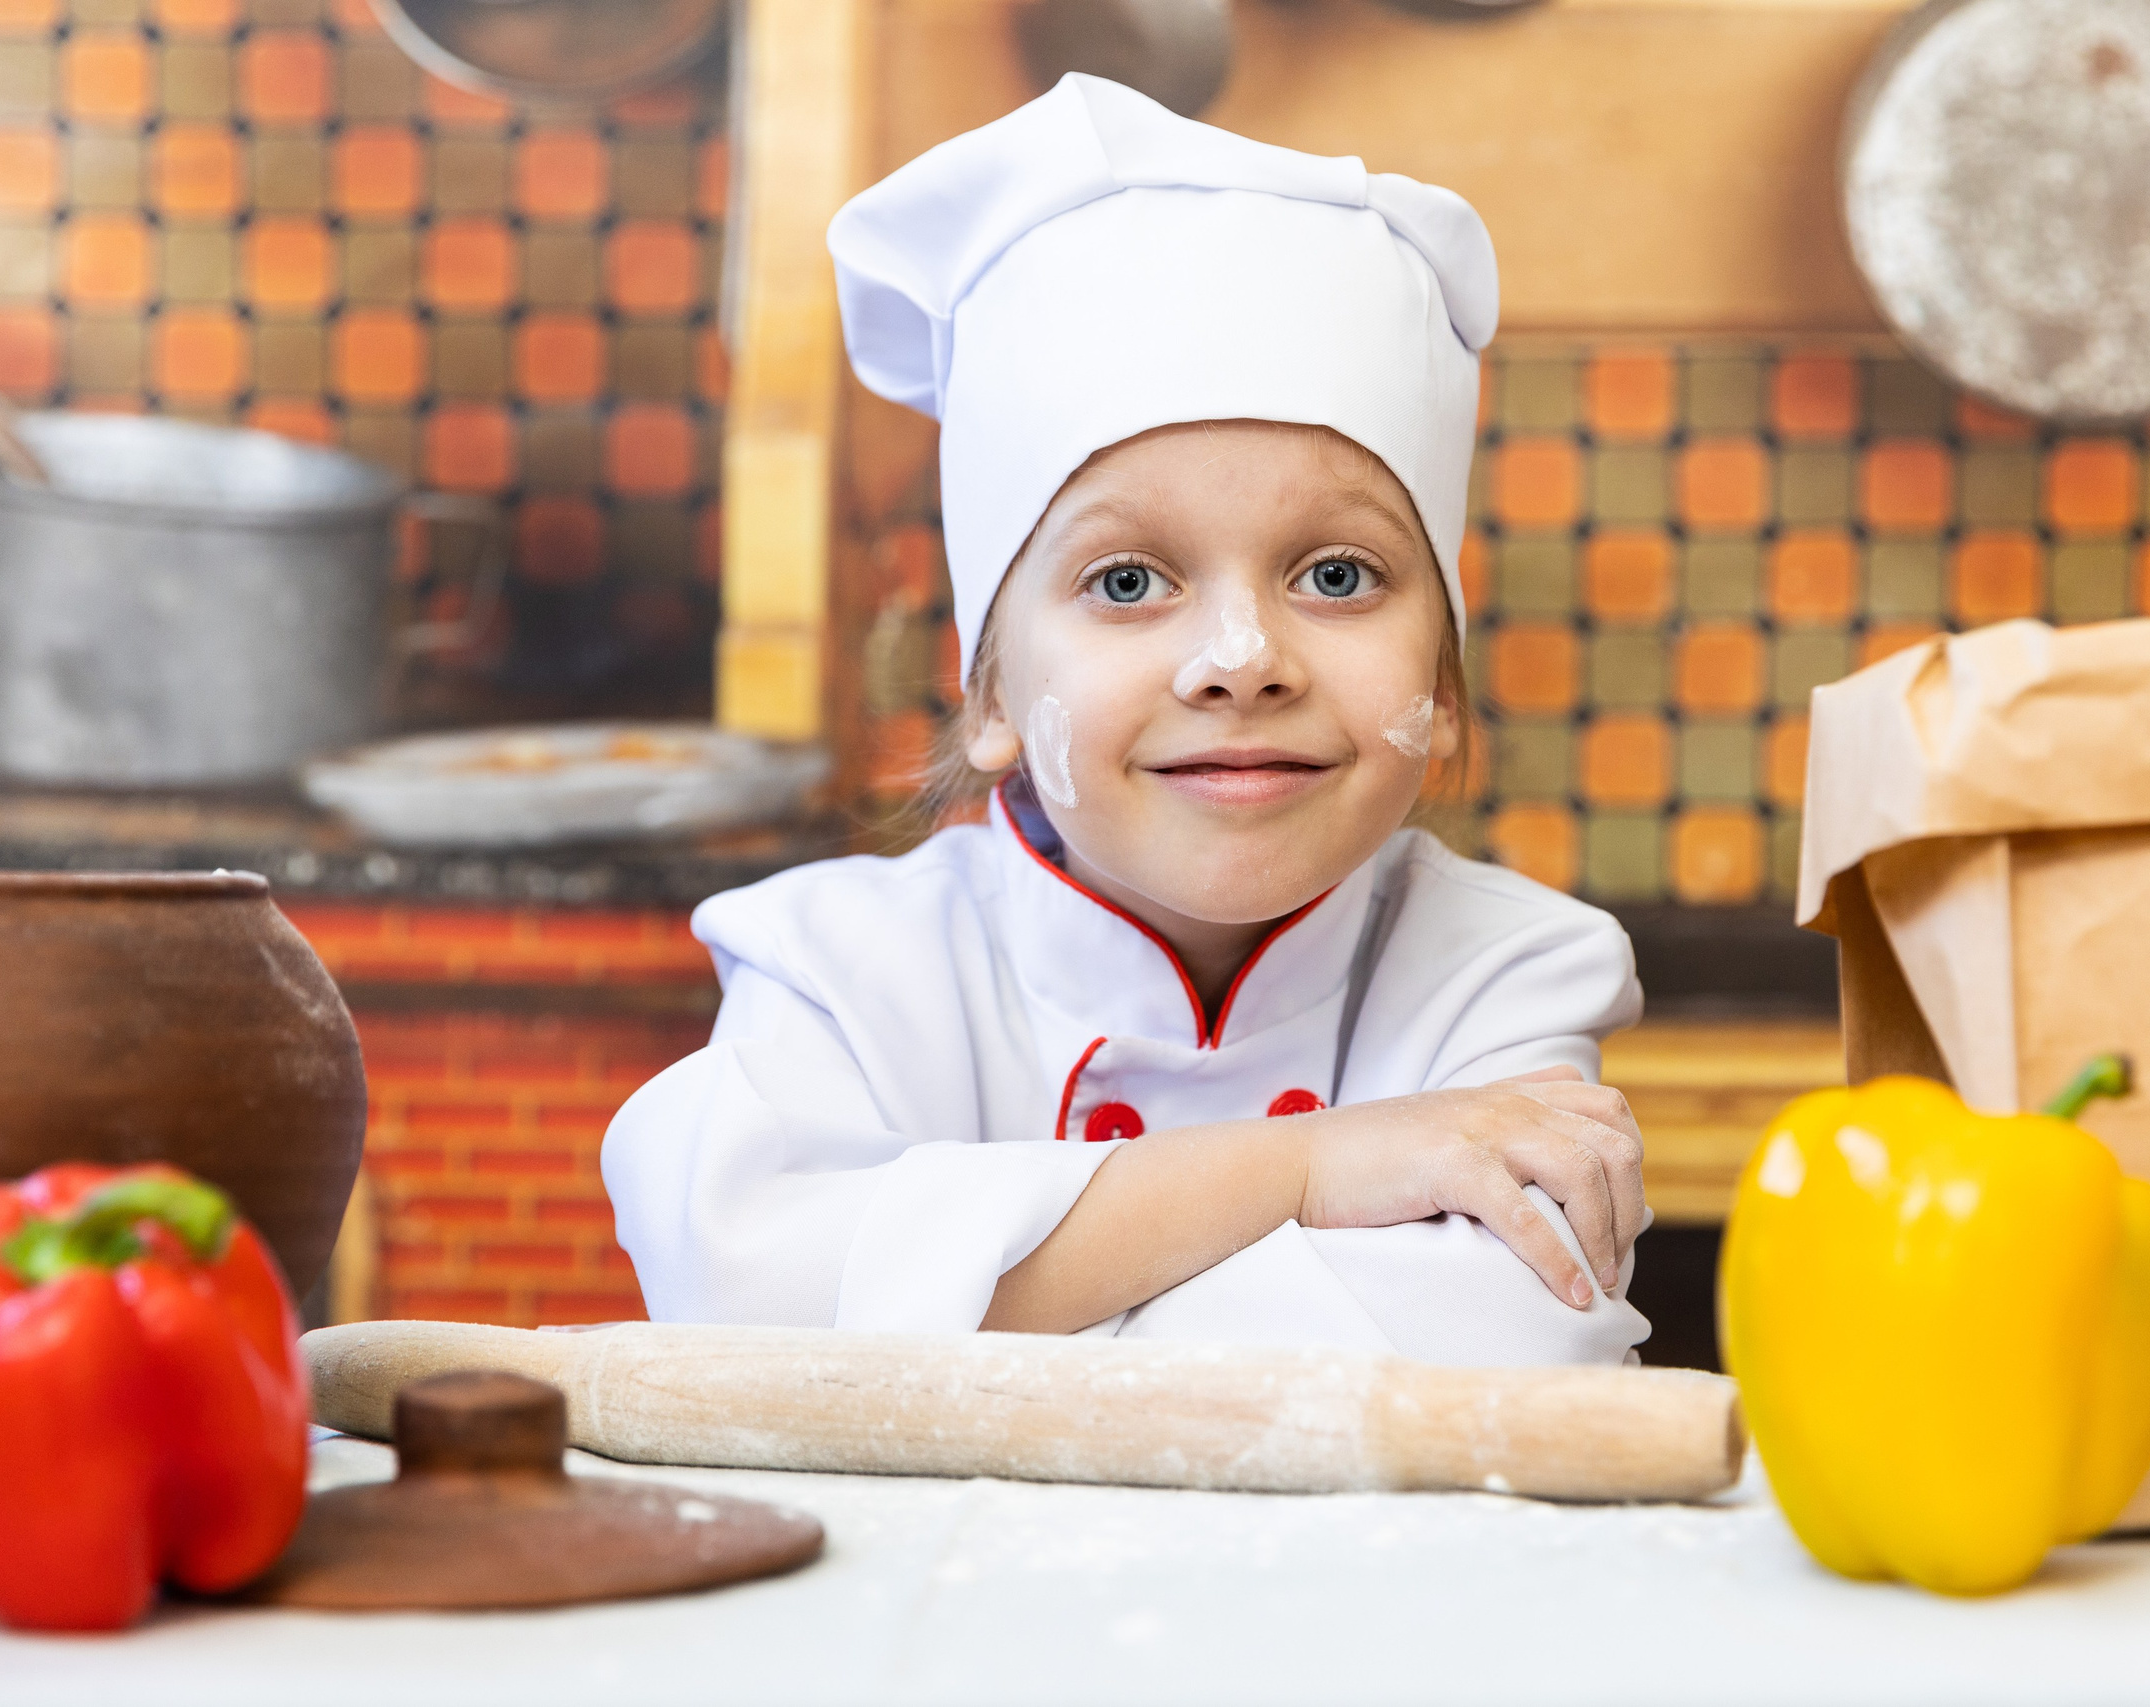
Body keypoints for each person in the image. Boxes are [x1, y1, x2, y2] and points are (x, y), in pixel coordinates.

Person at [604, 74, 1651, 1365]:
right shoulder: (840, 971)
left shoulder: (1503, 969)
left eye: (1336, 575)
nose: (1240, 661)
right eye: (1127, 582)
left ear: (1437, 686)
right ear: (988, 692)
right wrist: (1311, 1170)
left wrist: (956, 1289)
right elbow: (745, 1298)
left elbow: (1508, 1342)